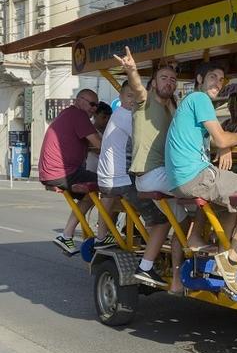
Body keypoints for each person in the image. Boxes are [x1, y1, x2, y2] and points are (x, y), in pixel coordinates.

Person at [165, 62, 237, 295]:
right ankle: (232, 258)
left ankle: (222, 258)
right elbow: (221, 138)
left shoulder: (189, 102)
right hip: (195, 175)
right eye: (212, 77)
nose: (217, 83)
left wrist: (224, 146)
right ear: (199, 79)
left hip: (180, 178)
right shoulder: (200, 100)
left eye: (221, 80)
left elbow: (216, 139)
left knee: (230, 205)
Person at [118, 48, 201, 289]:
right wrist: (132, 70)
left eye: (173, 80)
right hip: (152, 175)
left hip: (164, 176)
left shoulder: (170, 109)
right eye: (163, 78)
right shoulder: (144, 102)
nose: (169, 82)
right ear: (153, 83)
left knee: (181, 223)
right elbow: (137, 87)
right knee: (207, 192)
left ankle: (152, 270)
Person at [95, 79, 172, 257]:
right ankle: (153, 249)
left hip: (107, 180)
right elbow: (149, 139)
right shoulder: (126, 116)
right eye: (129, 96)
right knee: (160, 217)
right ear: (120, 96)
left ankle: (104, 237)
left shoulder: (118, 115)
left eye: (135, 96)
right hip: (120, 180)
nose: (132, 100)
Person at [39, 88, 102, 255]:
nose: (94, 109)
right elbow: (99, 144)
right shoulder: (78, 115)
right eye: (92, 104)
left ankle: (66, 235)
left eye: (97, 105)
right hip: (63, 172)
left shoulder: (68, 114)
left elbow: (82, 144)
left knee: (90, 195)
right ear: (79, 100)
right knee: (109, 184)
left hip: (53, 172)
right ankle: (104, 236)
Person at [85, 101, 112, 172]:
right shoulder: (87, 131)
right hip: (91, 168)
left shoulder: (111, 132)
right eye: (104, 117)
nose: (107, 120)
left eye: (109, 118)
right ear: (95, 115)